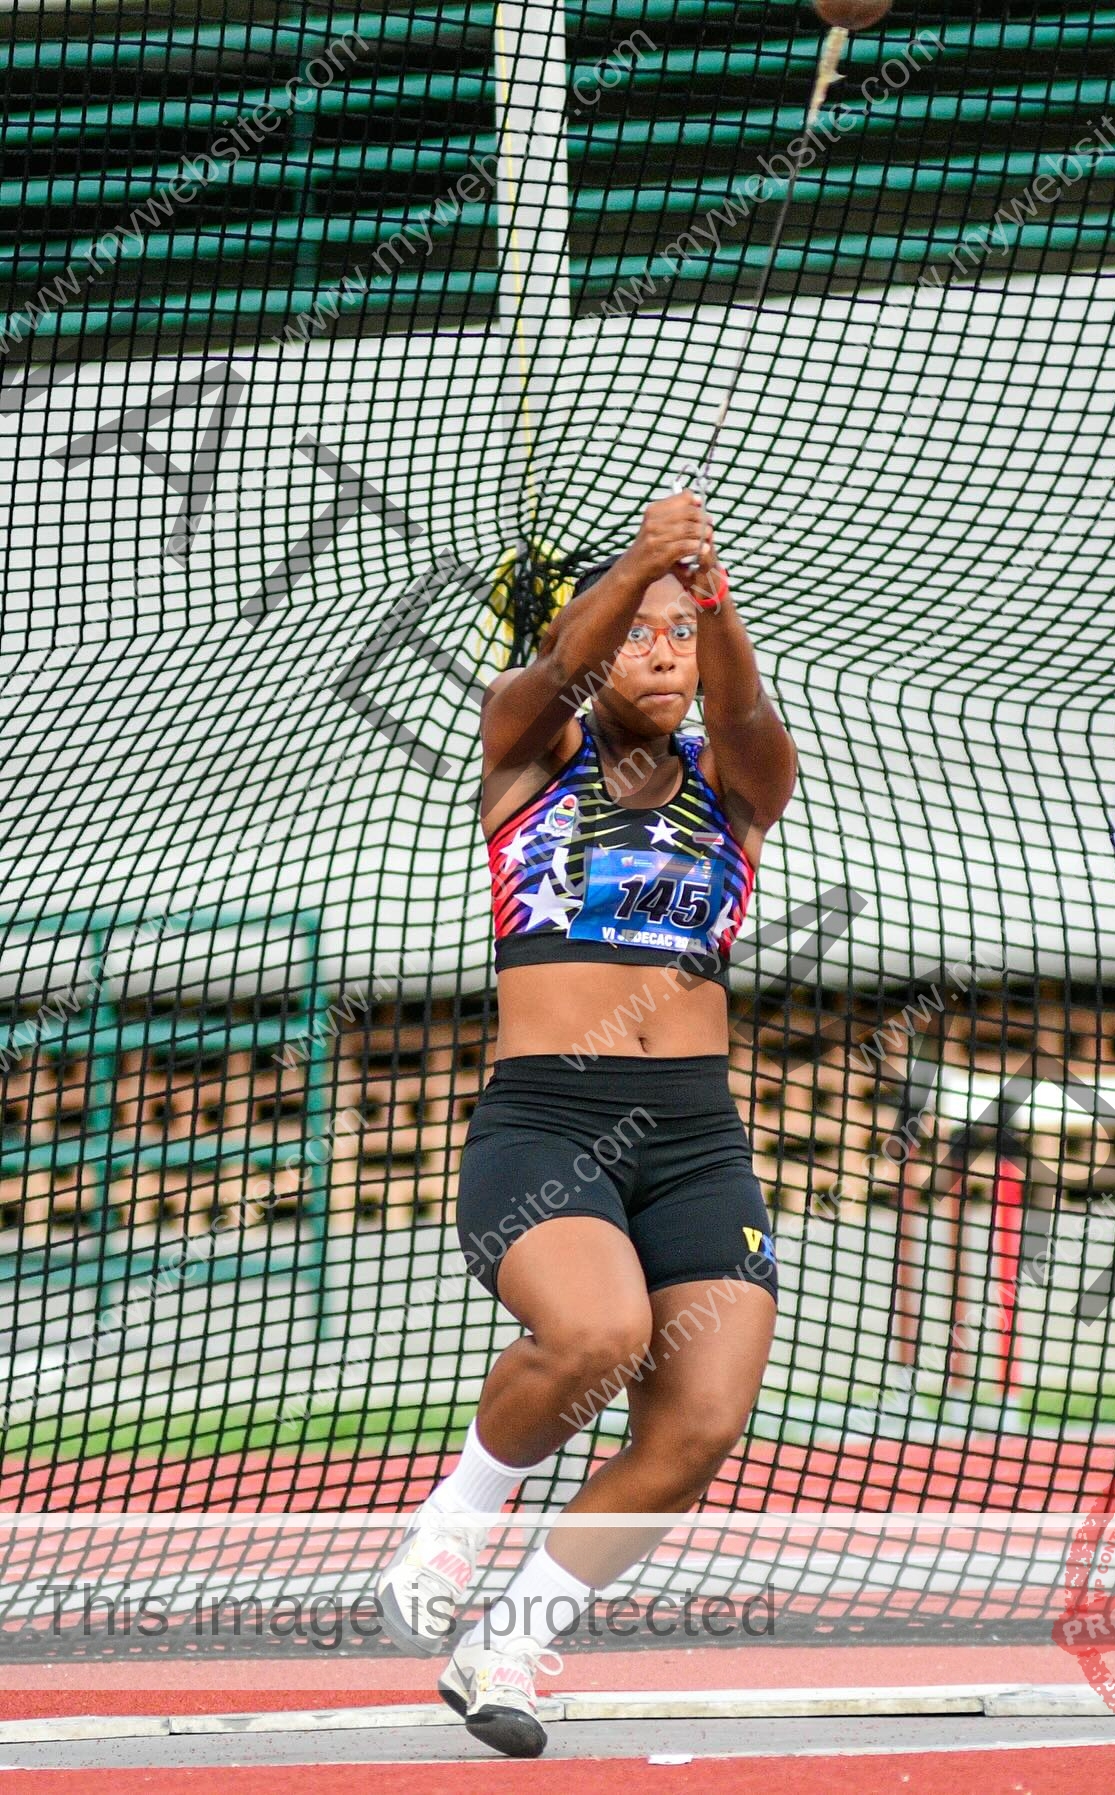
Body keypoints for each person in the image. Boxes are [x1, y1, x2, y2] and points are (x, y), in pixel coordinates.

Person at [375, 490, 797, 1757]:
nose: (662, 649)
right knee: (601, 1331)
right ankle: (461, 1510)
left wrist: (704, 593)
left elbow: (746, 716)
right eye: (644, 630)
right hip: (550, 1120)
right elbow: (553, 669)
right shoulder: (528, 755)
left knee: (701, 1419)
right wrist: (643, 567)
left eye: (685, 630)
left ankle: (512, 1636)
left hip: (694, 1135)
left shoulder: (736, 783)